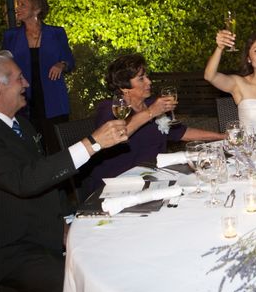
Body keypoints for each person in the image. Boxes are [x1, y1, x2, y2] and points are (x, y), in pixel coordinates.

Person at [0, 50, 127, 292]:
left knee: (115, 251)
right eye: (18, 78)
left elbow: (47, 181)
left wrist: (65, 225)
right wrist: (91, 144)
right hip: (9, 250)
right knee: (81, 284)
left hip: (44, 232)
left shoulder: (22, 126)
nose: (26, 83)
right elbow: (23, 181)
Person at [82, 54, 225, 194]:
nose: (149, 82)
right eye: (141, 79)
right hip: (116, 184)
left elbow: (182, 133)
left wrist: (222, 136)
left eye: (147, 76)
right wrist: (150, 112)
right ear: (124, 87)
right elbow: (117, 134)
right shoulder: (110, 108)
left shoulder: (151, 104)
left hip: (153, 179)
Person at [2, 0, 75, 155]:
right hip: (23, 101)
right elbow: (3, 66)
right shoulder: (10, 36)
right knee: (31, 150)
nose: (17, 8)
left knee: (59, 150)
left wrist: (61, 64)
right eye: (17, 5)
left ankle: (64, 182)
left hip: (53, 100)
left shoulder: (57, 33)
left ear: (37, 9)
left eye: (23, 5)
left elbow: (70, 61)